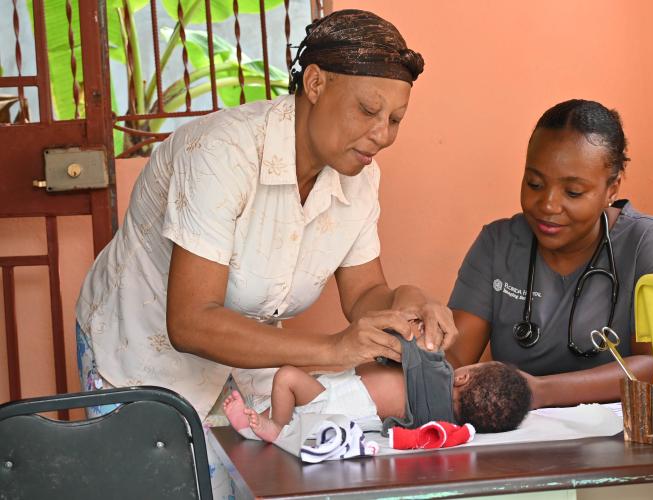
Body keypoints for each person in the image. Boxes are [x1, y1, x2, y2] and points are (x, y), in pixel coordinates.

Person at [75, 9, 457, 497]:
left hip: (243, 357)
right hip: (140, 348)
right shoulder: (222, 153)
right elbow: (190, 322)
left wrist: (409, 302)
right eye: (368, 110)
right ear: (316, 84)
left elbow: (365, 293)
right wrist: (333, 349)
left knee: (243, 483)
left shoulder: (359, 178)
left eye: (395, 120)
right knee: (161, 486)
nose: (382, 134)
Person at [447, 99, 653, 409]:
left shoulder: (646, 242)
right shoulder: (497, 243)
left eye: (573, 192)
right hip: (521, 441)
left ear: (612, 189)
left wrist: (539, 391)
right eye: (534, 183)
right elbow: (452, 358)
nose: (547, 205)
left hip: (624, 437)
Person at [222, 357, 531, 444]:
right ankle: (255, 426)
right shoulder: (442, 420)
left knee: (287, 378)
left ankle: (272, 427)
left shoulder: (440, 372)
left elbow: (407, 344)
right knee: (300, 410)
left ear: (463, 378)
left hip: (343, 395)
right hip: (354, 416)